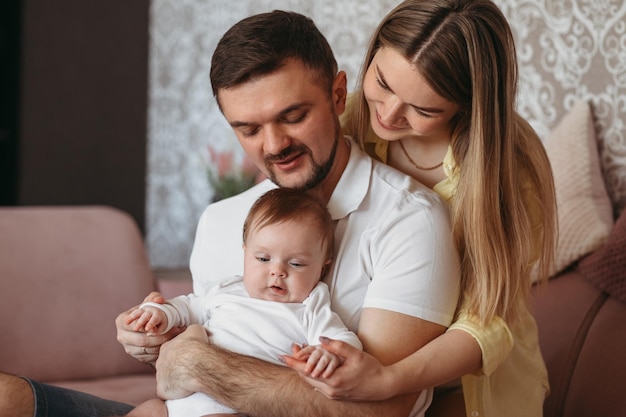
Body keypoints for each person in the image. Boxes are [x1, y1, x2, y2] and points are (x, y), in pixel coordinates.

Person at [0, 10, 461, 417]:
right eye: (248, 129)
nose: (274, 145)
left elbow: (383, 408)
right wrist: (154, 337)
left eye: (293, 116)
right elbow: (186, 358)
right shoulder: (222, 222)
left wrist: (199, 364)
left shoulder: (409, 220)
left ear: (338, 95)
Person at [283, 1, 557, 417]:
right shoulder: (350, 116)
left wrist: (386, 380)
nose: (389, 114)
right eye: (383, 83)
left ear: (467, 106)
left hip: (467, 385)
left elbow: (487, 320)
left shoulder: (511, 175)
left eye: (424, 109)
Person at [125, 188, 362, 417]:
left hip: (236, 407)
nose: (277, 272)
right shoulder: (228, 289)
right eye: (263, 258)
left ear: (323, 268)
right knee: (146, 411)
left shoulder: (311, 304)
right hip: (179, 403)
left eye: (296, 264)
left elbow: (342, 340)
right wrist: (160, 313)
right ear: (245, 253)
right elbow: (188, 307)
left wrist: (329, 354)